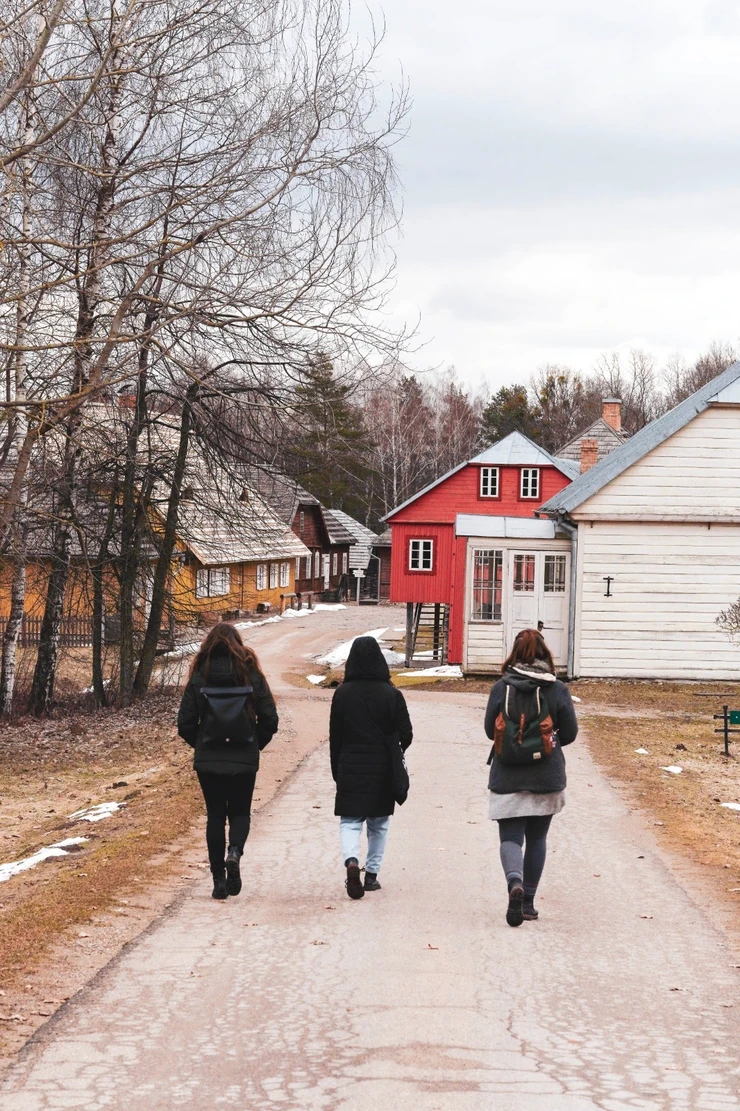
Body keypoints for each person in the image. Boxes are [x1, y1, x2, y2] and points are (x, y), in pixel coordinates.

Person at [483, 628, 578, 927]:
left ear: (514, 653)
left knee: (511, 838)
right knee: (537, 838)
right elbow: (571, 734)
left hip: (507, 775)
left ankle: (514, 883)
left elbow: (490, 730)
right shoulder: (557, 689)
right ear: (544, 653)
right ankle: (528, 904)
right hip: (546, 776)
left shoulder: (501, 687)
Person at [178, 622, 278, 900]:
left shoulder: (201, 674)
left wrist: (201, 743)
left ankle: (219, 881)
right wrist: (255, 744)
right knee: (240, 812)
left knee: (215, 815)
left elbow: (184, 722)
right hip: (244, 755)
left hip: (209, 758)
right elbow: (270, 718)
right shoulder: (251, 673)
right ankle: (234, 852)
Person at [330, 636, 413, 899]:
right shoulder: (392, 694)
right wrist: (393, 749)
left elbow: (335, 737)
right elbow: (407, 734)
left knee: (350, 822)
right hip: (382, 768)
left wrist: (337, 770)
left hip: (350, 766)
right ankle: (372, 875)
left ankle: (352, 861)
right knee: (378, 824)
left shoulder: (342, 694)